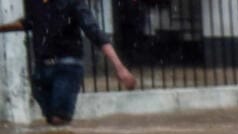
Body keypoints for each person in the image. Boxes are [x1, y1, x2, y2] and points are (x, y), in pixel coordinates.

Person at [0, 0, 137, 126]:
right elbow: (29, 22)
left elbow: (94, 32)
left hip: (67, 67)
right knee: (52, 122)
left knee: (59, 119)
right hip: (42, 70)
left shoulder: (73, 2)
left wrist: (119, 67)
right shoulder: (37, 3)